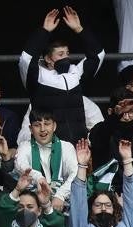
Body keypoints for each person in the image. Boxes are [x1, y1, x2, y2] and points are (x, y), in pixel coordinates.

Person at [19, 7, 105, 142]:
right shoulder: (38, 78)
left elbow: (98, 55)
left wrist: (79, 29)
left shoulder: (75, 73)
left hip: (78, 147)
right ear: (47, 59)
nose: (66, 57)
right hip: (51, 147)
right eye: (60, 54)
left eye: (67, 54)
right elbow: (26, 59)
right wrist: (44, 31)